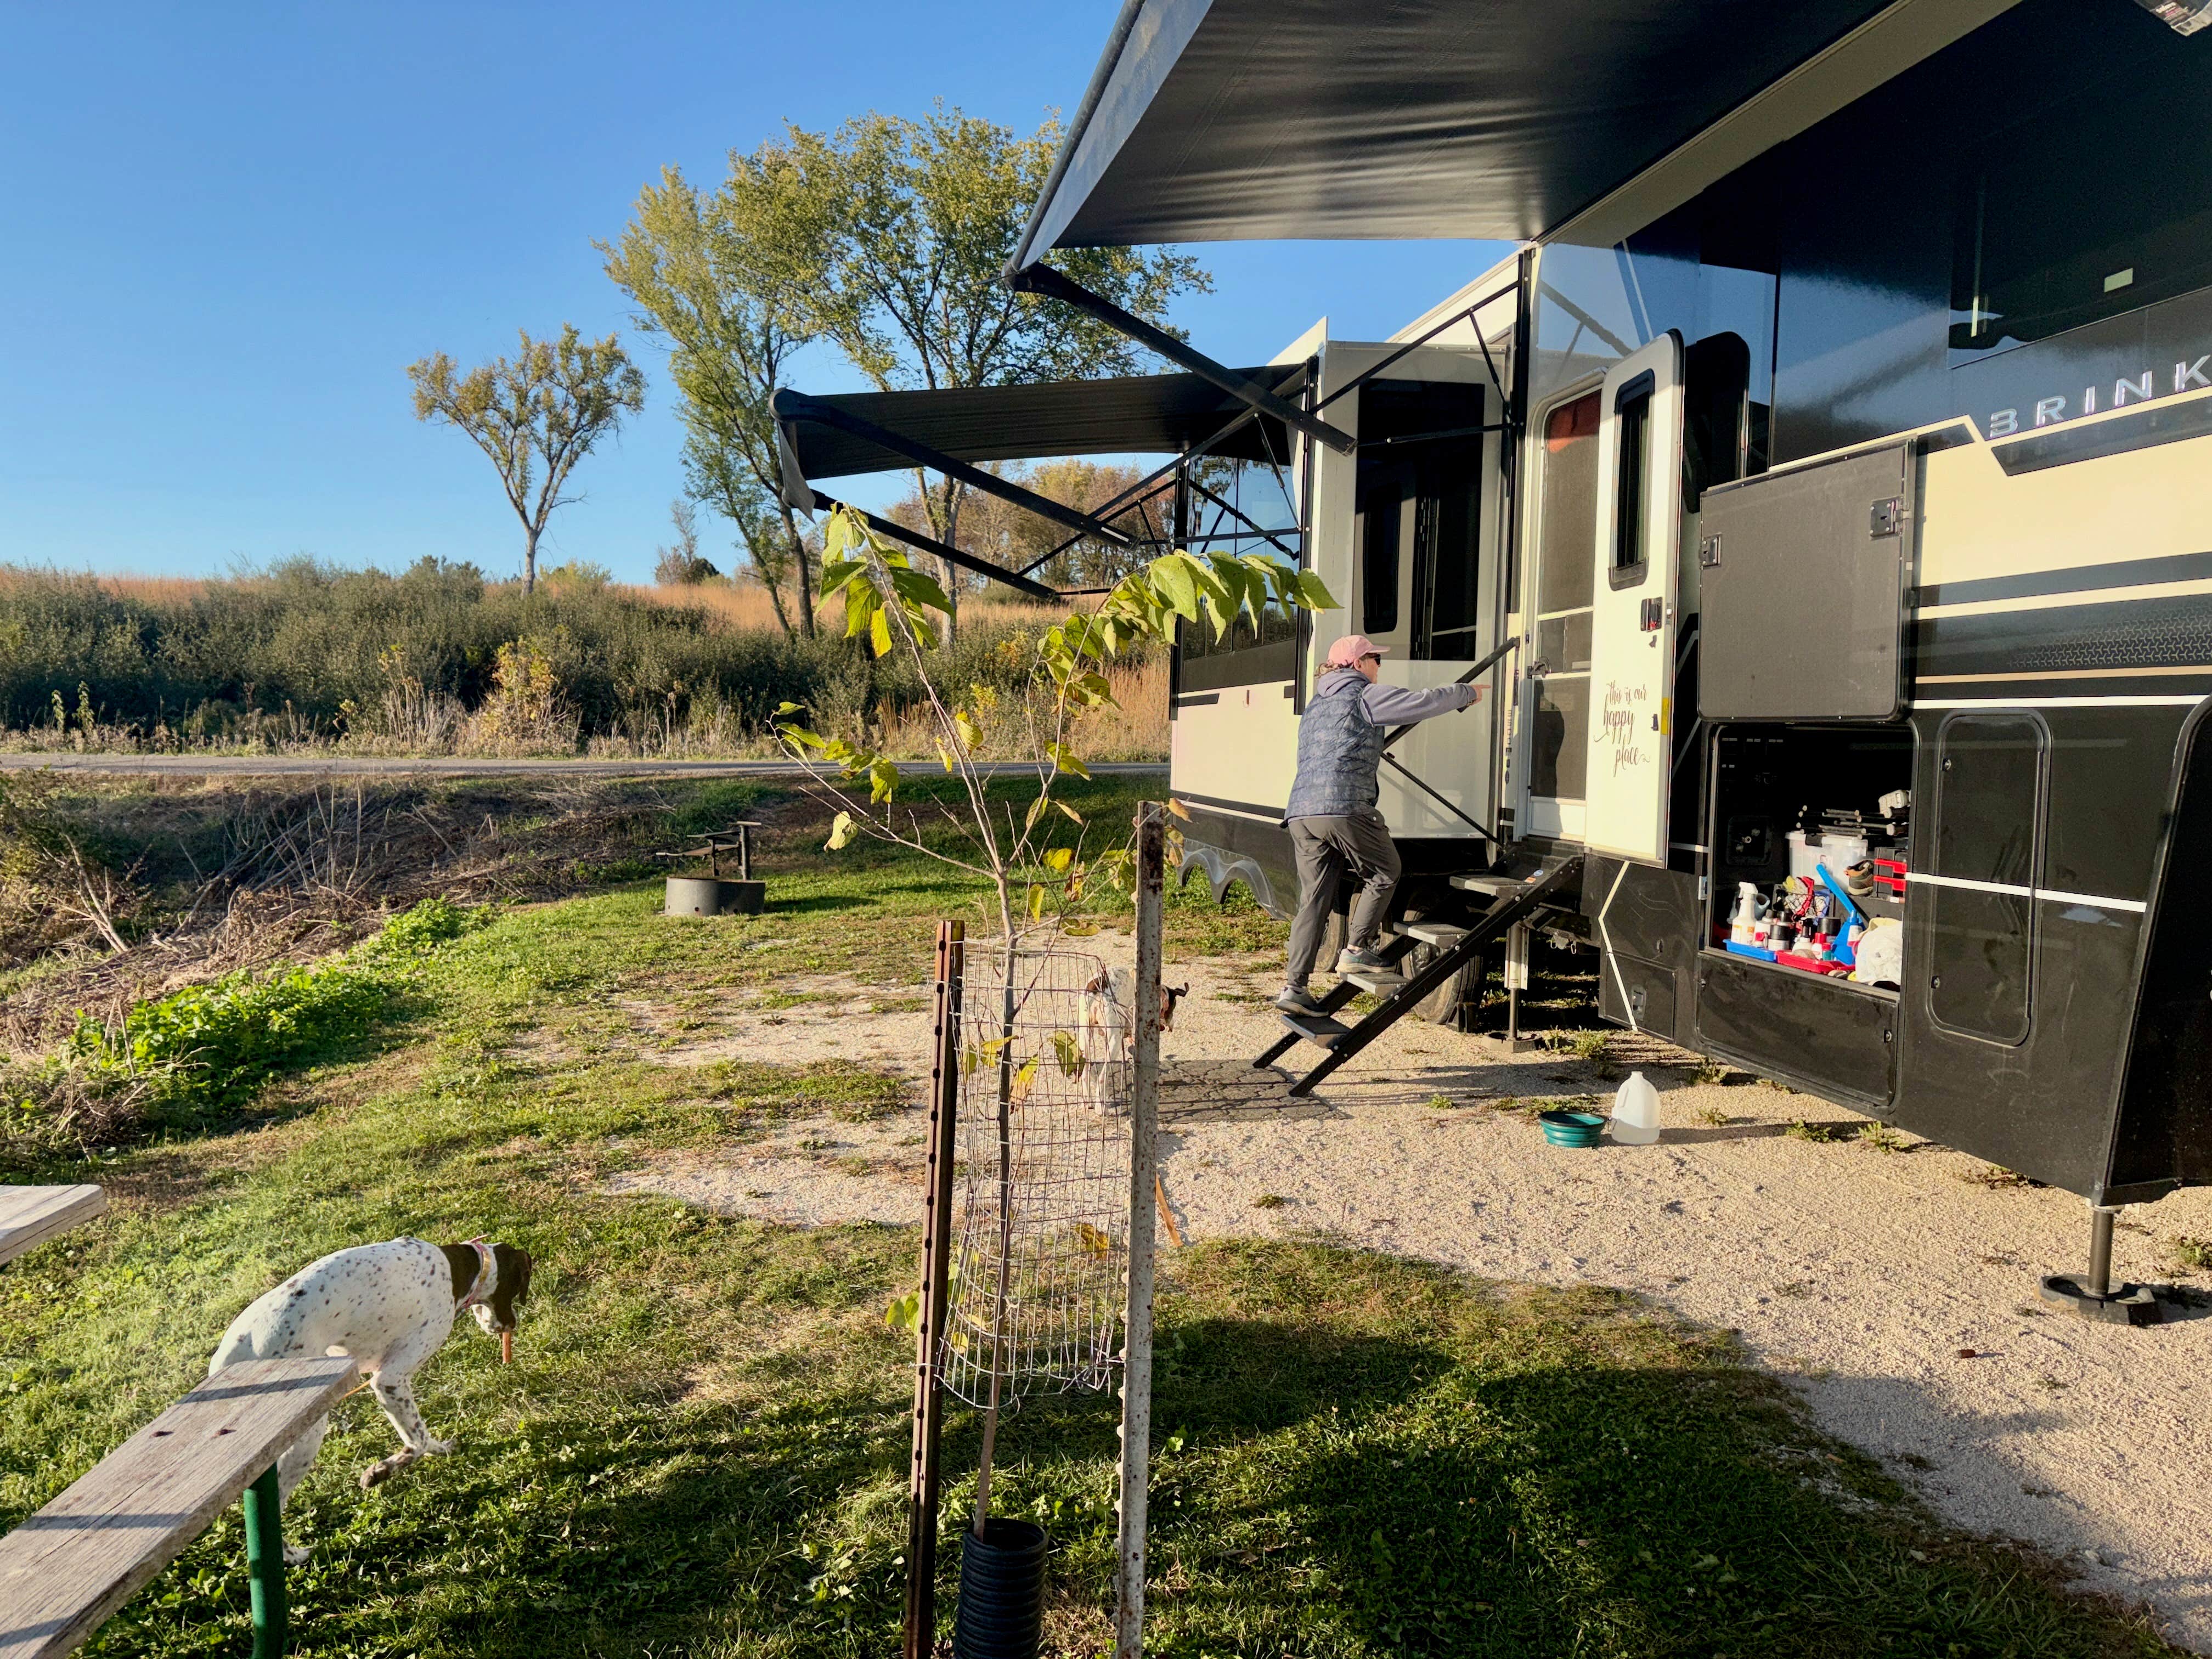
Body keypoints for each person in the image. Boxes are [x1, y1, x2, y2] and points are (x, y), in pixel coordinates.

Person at [1274, 635, 1481, 1014]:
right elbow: (1422, 702)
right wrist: (1466, 692)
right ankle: (1356, 950)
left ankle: (1294, 987)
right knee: (1386, 869)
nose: (1378, 667)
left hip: (1302, 812)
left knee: (1314, 900)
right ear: (1357, 664)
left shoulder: (1317, 704)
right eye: (1375, 659)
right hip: (1344, 806)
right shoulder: (1363, 695)